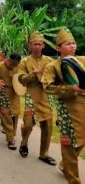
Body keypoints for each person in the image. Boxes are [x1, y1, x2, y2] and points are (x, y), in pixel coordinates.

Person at [42, 29, 85, 184]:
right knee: (70, 143)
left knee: (82, 139)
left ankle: (64, 163)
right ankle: (73, 180)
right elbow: (48, 87)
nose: (73, 46)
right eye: (68, 43)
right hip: (68, 109)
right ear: (58, 48)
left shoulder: (82, 60)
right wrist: (70, 88)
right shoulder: (52, 66)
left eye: (74, 43)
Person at [17, 32, 56, 165]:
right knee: (28, 124)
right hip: (31, 95)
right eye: (35, 44)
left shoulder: (50, 61)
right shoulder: (24, 61)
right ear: (30, 46)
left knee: (47, 126)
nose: (37, 46)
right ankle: (24, 142)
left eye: (40, 44)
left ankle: (44, 154)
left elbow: (55, 77)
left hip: (46, 95)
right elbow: (21, 79)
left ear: (43, 45)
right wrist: (34, 73)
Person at [0, 53, 21, 150]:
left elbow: (22, 76)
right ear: (7, 59)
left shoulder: (18, 66)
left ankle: (12, 133)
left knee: (15, 114)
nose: (11, 66)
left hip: (15, 92)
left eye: (14, 65)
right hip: (3, 91)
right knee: (6, 114)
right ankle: (10, 140)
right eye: (10, 63)